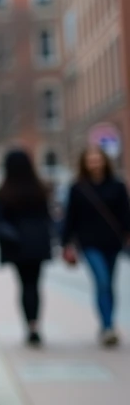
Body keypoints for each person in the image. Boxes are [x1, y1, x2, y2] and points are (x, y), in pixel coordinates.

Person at [61, 145, 130, 346]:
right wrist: (66, 243)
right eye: (90, 160)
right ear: (84, 163)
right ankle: (107, 326)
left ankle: (108, 323)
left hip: (113, 242)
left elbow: (125, 213)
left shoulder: (117, 186)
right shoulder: (78, 188)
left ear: (104, 161)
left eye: (97, 159)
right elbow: (70, 217)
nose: (94, 164)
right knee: (102, 281)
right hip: (89, 243)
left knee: (109, 283)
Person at [0, 150, 54, 346]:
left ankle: (29, 325)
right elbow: (47, 218)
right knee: (34, 285)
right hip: (37, 243)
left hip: (16, 245)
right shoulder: (40, 189)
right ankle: (35, 324)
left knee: (24, 285)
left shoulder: (3, 192)